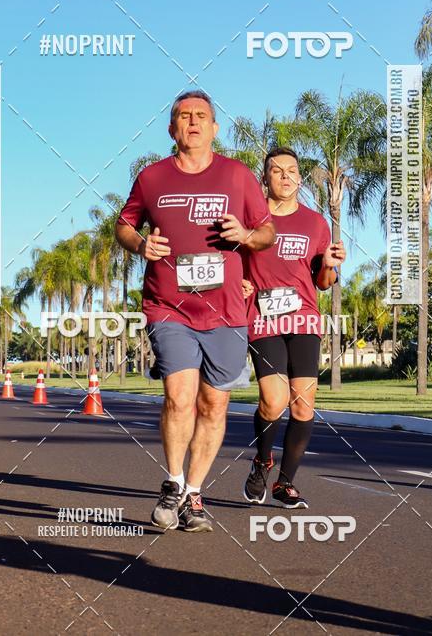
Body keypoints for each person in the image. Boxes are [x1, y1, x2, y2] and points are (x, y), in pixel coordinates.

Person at [116, 90, 275, 533]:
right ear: (172, 129)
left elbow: (267, 232)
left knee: (213, 406)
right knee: (180, 397)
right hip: (170, 306)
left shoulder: (238, 176)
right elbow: (124, 225)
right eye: (183, 116)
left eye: (201, 116)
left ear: (214, 128)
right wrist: (141, 244)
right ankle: (172, 481)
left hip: (226, 312)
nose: (192, 122)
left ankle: (194, 494)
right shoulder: (152, 178)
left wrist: (245, 233)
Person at [242, 148, 346, 508]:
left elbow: (322, 281)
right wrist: (239, 284)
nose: (285, 176)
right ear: (265, 179)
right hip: (262, 318)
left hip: (303, 318)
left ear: (300, 178)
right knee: (273, 402)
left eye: (292, 171)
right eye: (276, 171)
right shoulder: (251, 221)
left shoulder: (316, 223)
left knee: (303, 407)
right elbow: (234, 266)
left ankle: (285, 483)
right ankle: (261, 461)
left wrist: (330, 264)